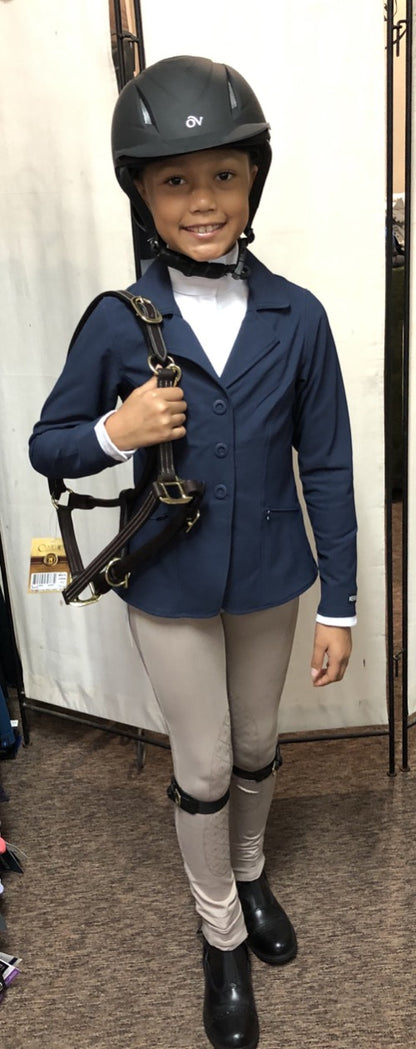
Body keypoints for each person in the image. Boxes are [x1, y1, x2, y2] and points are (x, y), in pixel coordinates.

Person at [29, 56, 357, 1049]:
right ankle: (218, 931)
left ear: (251, 180)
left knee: (258, 746)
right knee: (205, 762)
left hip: (268, 575)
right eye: (175, 180)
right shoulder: (118, 321)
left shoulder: (296, 315)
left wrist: (338, 604)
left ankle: (250, 877)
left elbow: (332, 468)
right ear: (142, 192)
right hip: (167, 582)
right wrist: (114, 432)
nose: (201, 200)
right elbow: (50, 441)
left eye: (221, 174)